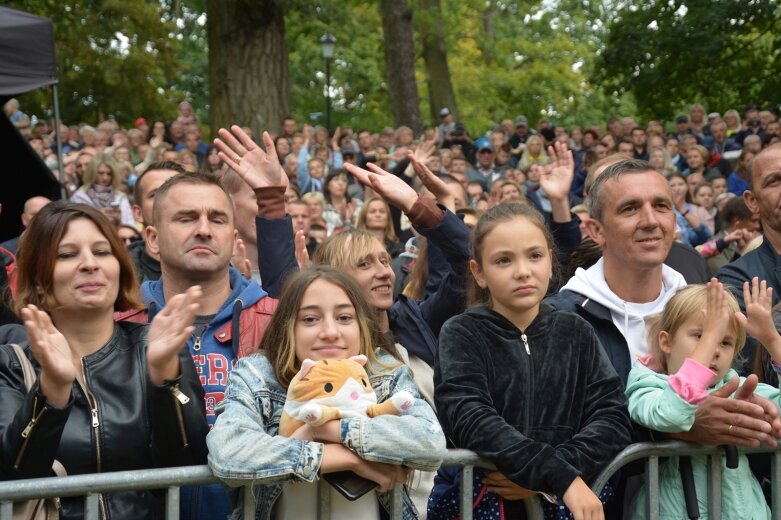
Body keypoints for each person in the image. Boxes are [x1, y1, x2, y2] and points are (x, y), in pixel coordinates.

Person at [548, 158, 781, 450]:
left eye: (661, 206)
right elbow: (553, 428)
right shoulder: (559, 318)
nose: (650, 220)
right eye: (630, 208)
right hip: (603, 494)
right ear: (596, 230)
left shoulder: (704, 303)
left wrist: (752, 414)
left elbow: (733, 387)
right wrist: (675, 430)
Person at [0, 202, 208, 519]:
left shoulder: (154, 345)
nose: (89, 264)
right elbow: (12, 476)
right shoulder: (12, 363)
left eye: (102, 251)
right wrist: (52, 391)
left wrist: (166, 378)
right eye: (67, 255)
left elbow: (188, 462)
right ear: (40, 282)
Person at [434, 203, 632, 519]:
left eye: (535, 256)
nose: (523, 271)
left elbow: (611, 417)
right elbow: (469, 416)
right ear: (479, 272)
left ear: (551, 262)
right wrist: (557, 474)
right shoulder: (462, 332)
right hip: (484, 504)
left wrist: (551, 475)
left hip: (562, 504)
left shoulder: (576, 330)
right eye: (503, 260)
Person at [207, 266, 445, 519]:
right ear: (288, 327)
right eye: (310, 319)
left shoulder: (384, 370)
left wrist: (324, 430)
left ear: (362, 325)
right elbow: (229, 452)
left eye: (344, 318)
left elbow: (430, 440)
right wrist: (344, 458)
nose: (330, 332)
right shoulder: (258, 374)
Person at [626, 278, 781, 519]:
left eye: (726, 341)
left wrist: (772, 341)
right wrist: (712, 337)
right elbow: (671, 414)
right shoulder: (647, 383)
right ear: (666, 342)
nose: (715, 349)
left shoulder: (737, 387)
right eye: (701, 335)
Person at [128, 161, 186, 283]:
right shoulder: (121, 274)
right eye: (155, 194)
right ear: (138, 213)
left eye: (177, 192)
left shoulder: (220, 267)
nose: (168, 200)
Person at [70, 155, 134, 227]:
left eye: (109, 174)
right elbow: (77, 226)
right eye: (100, 173)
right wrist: (97, 217)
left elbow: (130, 226)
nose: (105, 178)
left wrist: (119, 221)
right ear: (93, 173)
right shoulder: (80, 196)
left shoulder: (120, 197)